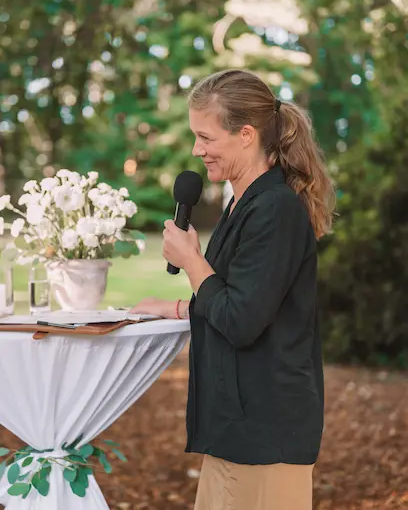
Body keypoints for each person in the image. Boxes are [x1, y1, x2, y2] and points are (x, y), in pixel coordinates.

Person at [131, 69, 336, 510]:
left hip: (265, 432)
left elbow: (242, 321)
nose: (196, 149)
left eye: (206, 137)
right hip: (236, 429)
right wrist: (176, 307)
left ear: (246, 135)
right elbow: (241, 297)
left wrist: (191, 260)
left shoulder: (275, 209)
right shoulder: (244, 203)